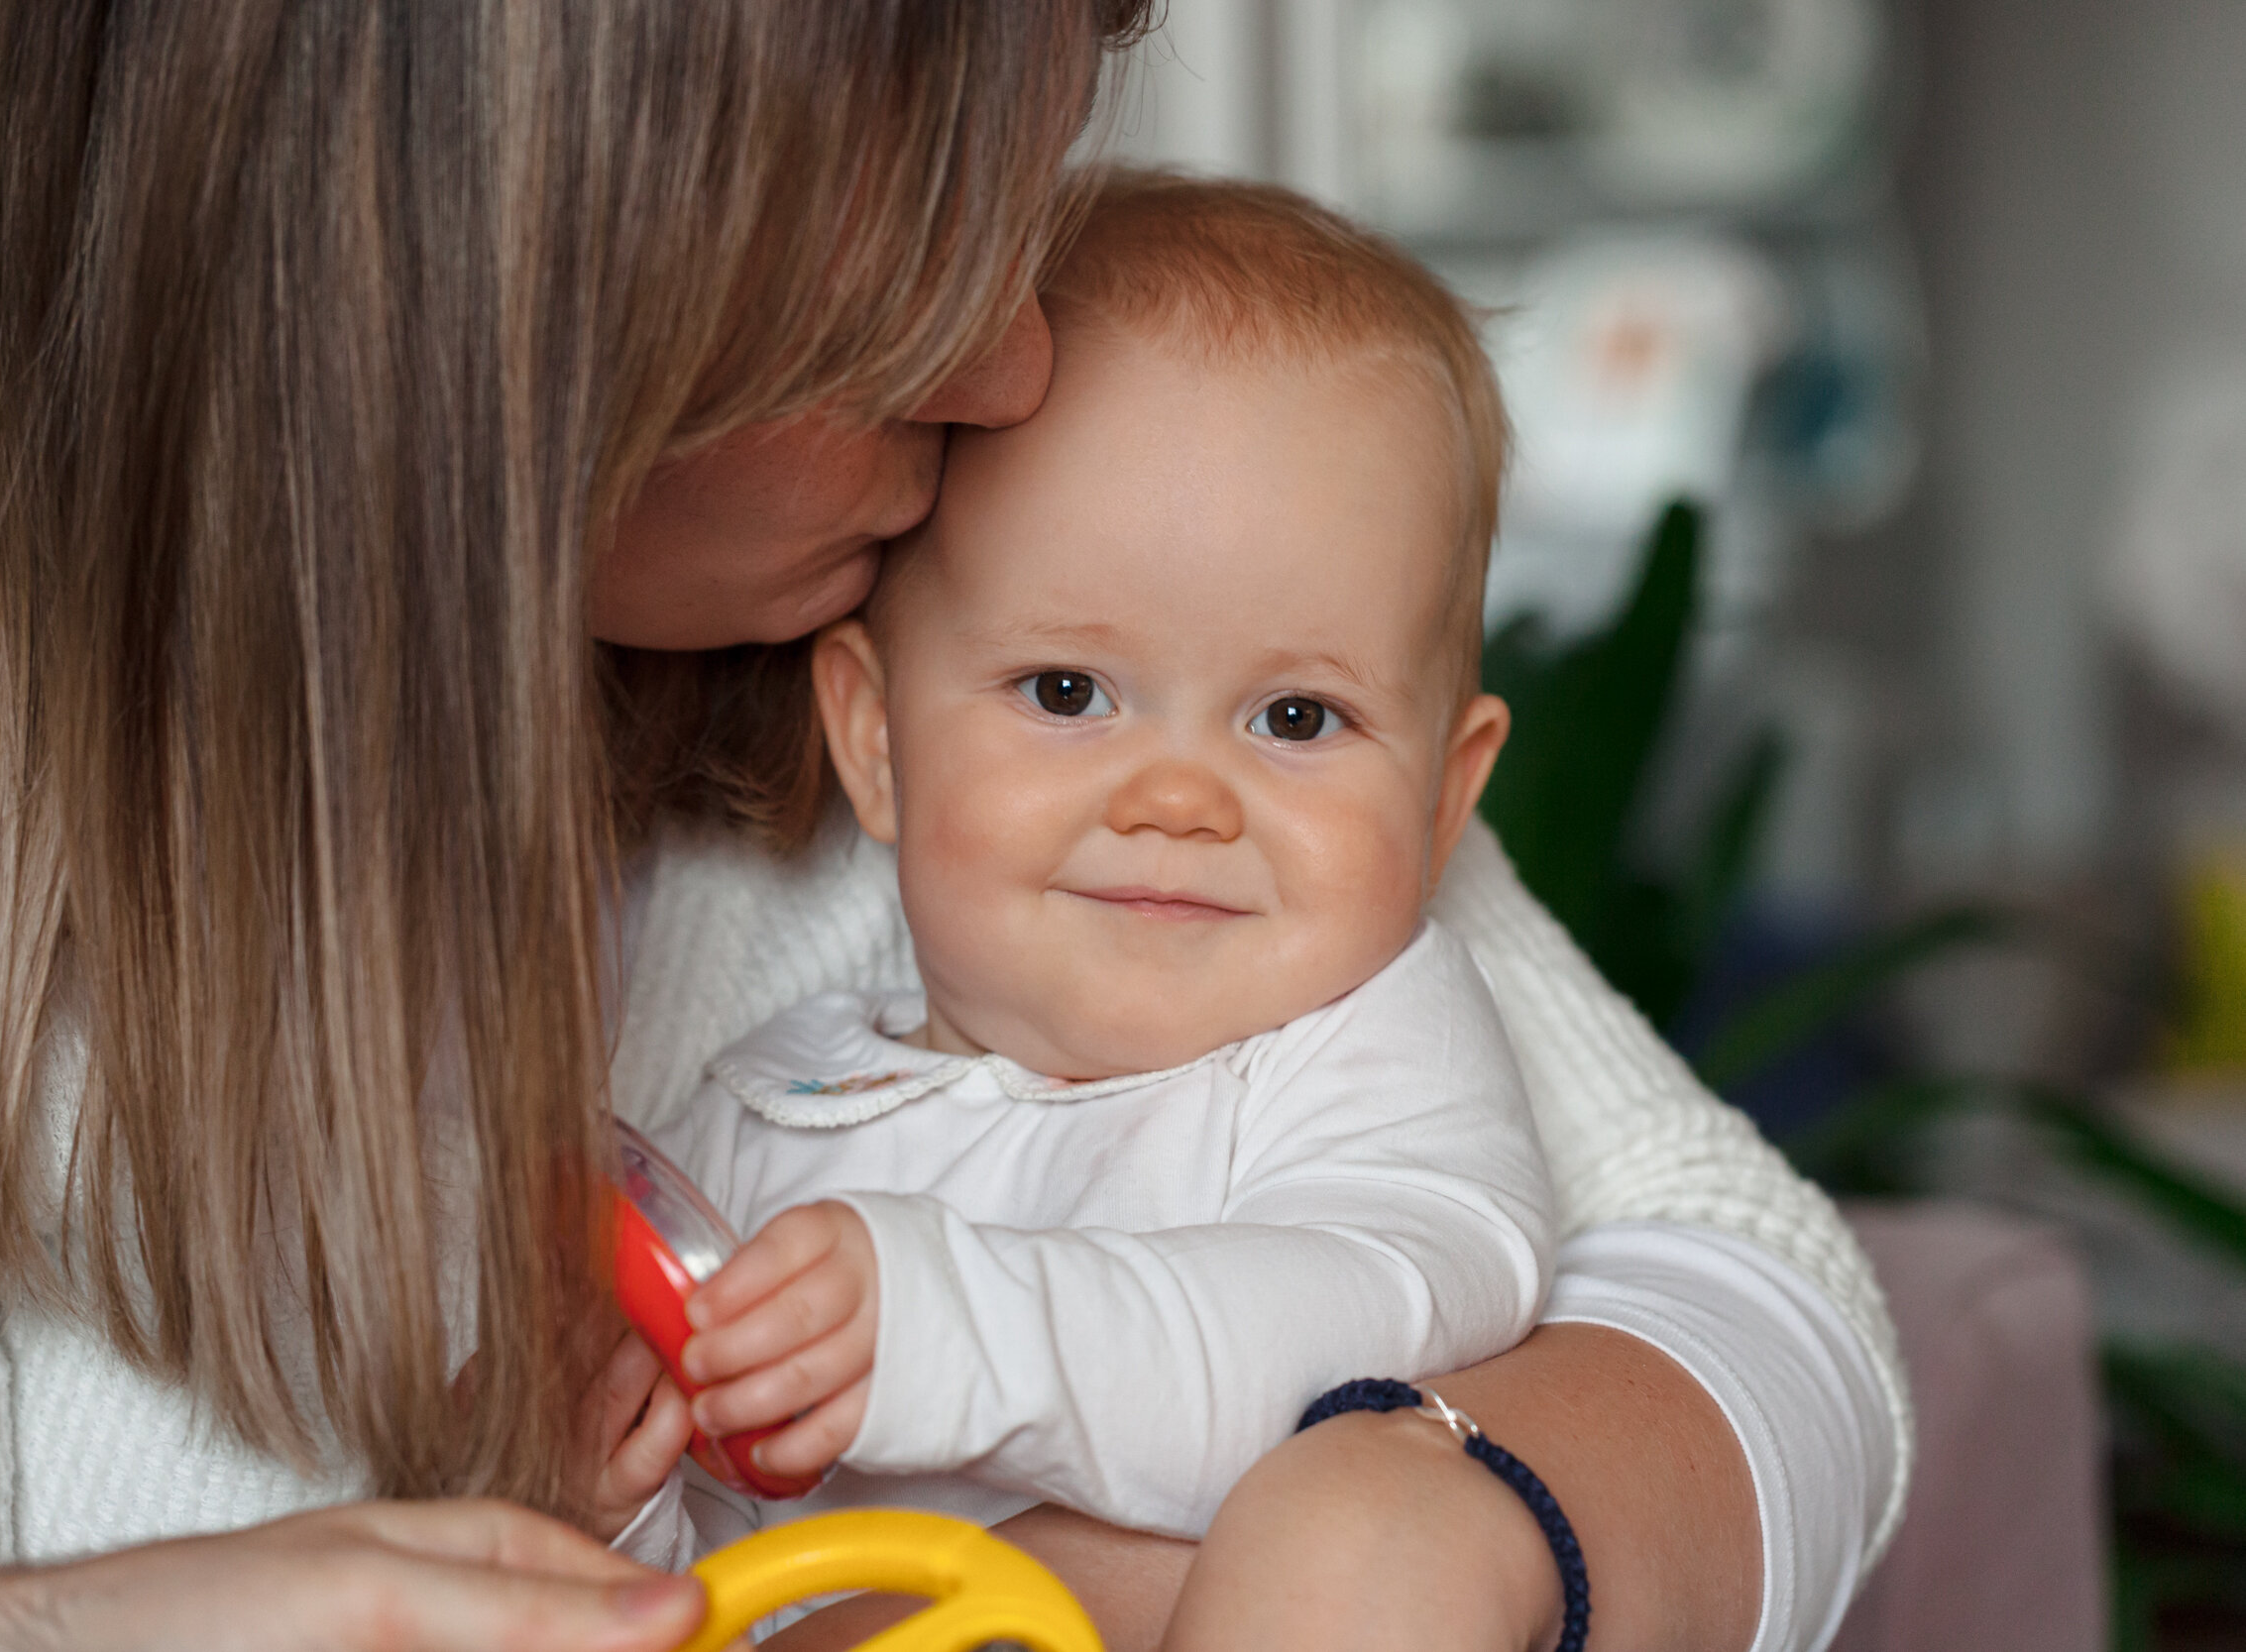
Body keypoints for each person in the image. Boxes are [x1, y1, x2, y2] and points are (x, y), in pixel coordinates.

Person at [0, 3, 1902, 1650]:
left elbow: (1758, 1308)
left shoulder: (1056, 683)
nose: (1008, 363)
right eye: (906, 263)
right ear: (515, 286)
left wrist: (1366, 1524)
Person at [586, 173, 1557, 1582]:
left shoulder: (1371, 1059)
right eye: (1065, 689)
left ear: (1445, 796)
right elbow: (701, 1566)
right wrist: (599, 1488)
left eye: (1295, 718)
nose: (1175, 798)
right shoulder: (760, 1123)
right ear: (874, 737)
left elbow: (1354, 1349)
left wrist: (956, 1327)